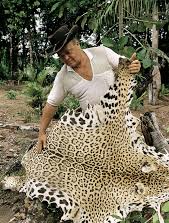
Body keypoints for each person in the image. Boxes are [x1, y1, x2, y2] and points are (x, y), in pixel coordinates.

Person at [37, 25, 141, 153]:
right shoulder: (63, 77)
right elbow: (51, 104)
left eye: (68, 52)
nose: (66, 58)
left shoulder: (103, 53)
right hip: (94, 132)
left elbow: (126, 66)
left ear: (77, 44)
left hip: (120, 122)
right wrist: (41, 132)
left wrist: (134, 66)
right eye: (61, 56)